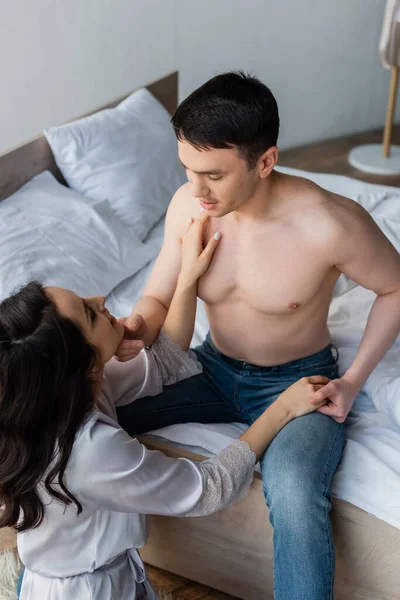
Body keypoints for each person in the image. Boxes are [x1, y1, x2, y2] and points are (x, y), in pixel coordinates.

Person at [115, 72, 400, 600]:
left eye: (214, 176)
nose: (196, 190)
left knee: (293, 491)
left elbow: (394, 287)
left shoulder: (328, 222)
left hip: (299, 380)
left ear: (265, 161)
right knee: (87, 412)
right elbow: (155, 299)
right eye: (187, 170)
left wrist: (355, 381)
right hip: (209, 368)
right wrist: (136, 328)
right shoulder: (188, 205)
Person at [0, 217, 328, 600]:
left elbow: (169, 361)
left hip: (86, 572)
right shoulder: (91, 450)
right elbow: (209, 488)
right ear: (81, 365)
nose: (100, 299)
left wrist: (186, 278)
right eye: (90, 314)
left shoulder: (60, 400)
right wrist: (282, 411)